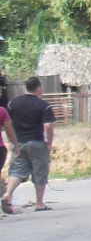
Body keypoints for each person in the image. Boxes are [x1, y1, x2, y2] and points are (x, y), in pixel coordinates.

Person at [6, 77, 58, 213]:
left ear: (26, 87)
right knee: (40, 172)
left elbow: (7, 123)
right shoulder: (44, 105)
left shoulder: (13, 103)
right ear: (39, 88)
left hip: (19, 142)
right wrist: (49, 143)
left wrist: (11, 141)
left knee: (17, 171)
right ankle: (39, 203)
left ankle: (8, 195)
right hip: (37, 142)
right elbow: (48, 126)